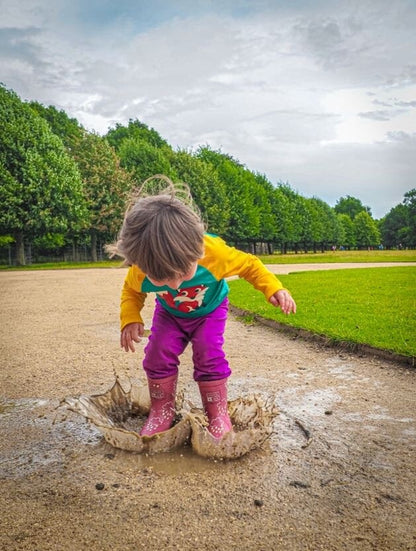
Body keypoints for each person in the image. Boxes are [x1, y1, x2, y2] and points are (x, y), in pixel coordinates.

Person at [109, 176, 296, 440]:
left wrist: (273, 288)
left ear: (196, 248)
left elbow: (249, 265)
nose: (174, 285)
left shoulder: (214, 253)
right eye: (162, 279)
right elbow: (131, 291)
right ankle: (162, 410)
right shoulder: (141, 268)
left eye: (183, 273)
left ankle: (216, 412)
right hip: (170, 314)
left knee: (209, 352)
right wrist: (130, 317)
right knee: (156, 354)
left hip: (209, 311)